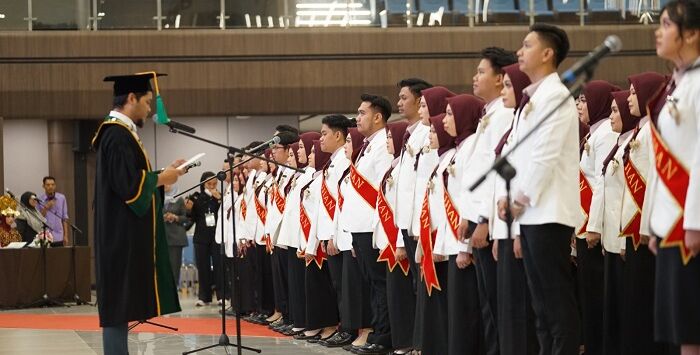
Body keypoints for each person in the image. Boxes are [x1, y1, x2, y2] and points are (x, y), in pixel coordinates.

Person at [498, 24, 581, 355]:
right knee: (542, 307)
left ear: (548, 54)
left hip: (550, 213)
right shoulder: (533, 100)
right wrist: (513, 202)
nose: (519, 51)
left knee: (556, 303)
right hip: (533, 214)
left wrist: (517, 201)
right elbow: (521, 160)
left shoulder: (556, 97)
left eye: (527, 45)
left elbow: (544, 157)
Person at [93, 73, 184, 355]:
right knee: (118, 306)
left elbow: (131, 179)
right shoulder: (117, 135)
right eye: (146, 101)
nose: (150, 108)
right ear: (130, 99)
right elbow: (129, 185)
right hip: (119, 237)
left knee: (121, 305)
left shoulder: (121, 133)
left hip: (119, 234)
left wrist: (163, 176)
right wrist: (161, 178)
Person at [642, 1, 700, 354]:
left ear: (691, 33)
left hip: (690, 221)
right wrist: (656, 223)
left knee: (692, 323)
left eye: (666, 25)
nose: (657, 31)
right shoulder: (678, 84)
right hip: (672, 221)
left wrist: (693, 222)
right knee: (682, 324)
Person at [458, 47, 518, 355]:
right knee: (489, 304)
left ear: (501, 77)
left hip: (493, 222)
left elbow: (495, 174)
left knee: (498, 304)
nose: (475, 77)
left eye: (482, 71)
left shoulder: (505, 114)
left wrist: (482, 220)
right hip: (481, 219)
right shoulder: (490, 114)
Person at [492, 63, 538, 355]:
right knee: (508, 304)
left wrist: (518, 232)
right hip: (506, 224)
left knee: (523, 306)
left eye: (508, 85)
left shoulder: (526, 120)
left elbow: (530, 177)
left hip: (523, 222)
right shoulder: (515, 120)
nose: (503, 91)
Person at [343, 94, 394, 354]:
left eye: (362, 113)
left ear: (378, 117)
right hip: (360, 227)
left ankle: (384, 335)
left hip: (374, 227)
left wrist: (379, 229)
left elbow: (383, 191)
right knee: (372, 284)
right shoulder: (366, 146)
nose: (357, 117)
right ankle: (377, 330)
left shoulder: (383, 145)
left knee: (380, 283)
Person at [577, 80, 620, 355]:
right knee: (588, 293)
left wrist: (593, 227)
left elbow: (602, 182)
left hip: (597, 228)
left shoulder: (605, 133)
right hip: (585, 225)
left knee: (596, 293)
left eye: (584, 99)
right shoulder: (594, 134)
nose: (579, 105)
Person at [595, 90, 639, 355]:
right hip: (611, 237)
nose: (612, 115)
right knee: (614, 303)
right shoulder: (622, 143)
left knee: (626, 303)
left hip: (624, 236)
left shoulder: (632, 144)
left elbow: (630, 195)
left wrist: (623, 238)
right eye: (610, 110)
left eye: (615, 110)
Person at [315, 115, 356, 348]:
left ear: (338, 135)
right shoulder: (332, 162)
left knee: (344, 285)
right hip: (330, 234)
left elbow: (340, 203)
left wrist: (331, 234)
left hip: (339, 234)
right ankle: (344, 325)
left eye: (324, 133)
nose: (321, 139)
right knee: (338, 284)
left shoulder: (343, 162)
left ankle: (349, 328)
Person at [416, 112, 454, 355]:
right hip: (434, 235)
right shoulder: (441, 159)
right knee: (436, 297)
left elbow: (446, 204)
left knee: (447, 297)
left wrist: (438, 241)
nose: (429, 134)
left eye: (432, 130)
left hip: (445, 236)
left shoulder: (450, 158)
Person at [374, 120, 411, 354]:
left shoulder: (402, 167)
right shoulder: (393, 166)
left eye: (390, 137)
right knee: (393, 295)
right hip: (387, 238)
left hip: (398, 238)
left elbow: (401, 207)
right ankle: (399, 340)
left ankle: (406, 341)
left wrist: (398, 241)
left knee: (403, 294)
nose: (388, 141)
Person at [186, 171, 224, 307]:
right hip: (201, 237)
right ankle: (204, 297)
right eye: (209, 184)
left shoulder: (220, 197)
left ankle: (221, 296)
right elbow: (191, 218)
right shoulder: (196, 198)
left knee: (219, 266)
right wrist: (189, 209)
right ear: (203, 184)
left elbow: (225, 214)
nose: (212, 186)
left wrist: (220, 200)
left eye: (215, 183)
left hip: (216, 237)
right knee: (203, 267)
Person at [163, 184, 190, 286]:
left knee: (174, 266)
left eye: (168, 183)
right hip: (162, 236)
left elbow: (186, 218)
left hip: (176, 238)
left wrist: (175, 217)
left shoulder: (179, 200)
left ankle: (173, 289)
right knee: (163, 266)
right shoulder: (158, 198)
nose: (166, 185)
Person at [37, 176, 70, 247]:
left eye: (52, 184)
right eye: (48, 185)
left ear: (55, 186)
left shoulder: (61, 198)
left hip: (59, 236)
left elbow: (64, 218)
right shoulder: (39, 199)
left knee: (59, 257)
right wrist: (46, 207)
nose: (50, 187)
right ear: (43, 186)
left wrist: (66, 236)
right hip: (45, 236)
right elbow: (38, 218)